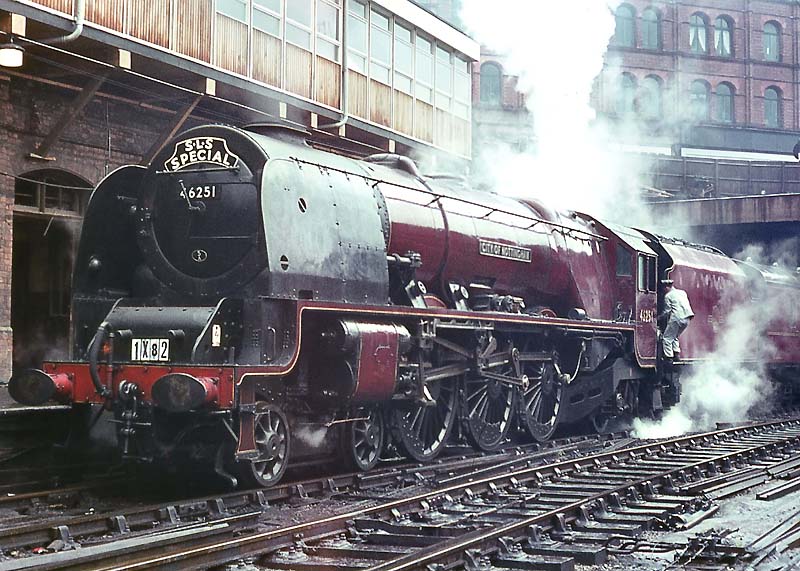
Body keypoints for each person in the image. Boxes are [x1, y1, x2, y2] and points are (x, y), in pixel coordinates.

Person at [659, 279, 694, 360]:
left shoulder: (668, 296)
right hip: (687, 318)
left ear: (666, 287)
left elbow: (667, 311)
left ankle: (669, 358)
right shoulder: (682, 292)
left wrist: (659, 318)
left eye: (664, 289)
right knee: (674, 336)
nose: (664, 291)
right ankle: (676, 354)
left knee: (666, 338)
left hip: (677, 317)